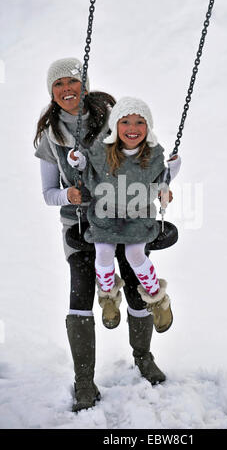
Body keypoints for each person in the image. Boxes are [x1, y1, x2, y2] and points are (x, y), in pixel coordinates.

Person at [33, 58, 177, 413]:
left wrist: (164, 180)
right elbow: (49, 192)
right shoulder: (50, 136)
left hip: (127, 216)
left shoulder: (112, 118)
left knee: (133, 280)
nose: (67, 89)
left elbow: (142, 159)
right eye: (58, 84)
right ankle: (84, 380)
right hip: (81, 225)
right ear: (51, 92)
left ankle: (143, 357)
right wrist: (69, 195)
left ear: (84, 84)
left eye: (73, 81)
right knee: (80, 293)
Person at [67, 96, 181, 337]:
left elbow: (163, 178)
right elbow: (87, 168)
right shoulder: (101, 151)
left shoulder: (153, 154)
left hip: (138, 215)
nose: (132, 128)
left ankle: (158, 299)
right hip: (105, 214)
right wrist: (77, 161)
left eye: (140, 122)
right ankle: (108, 296)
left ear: (148, 127)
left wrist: (171, 174)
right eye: (125, 121)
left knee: (134, 254)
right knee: (104, 253)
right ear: (115, 125)